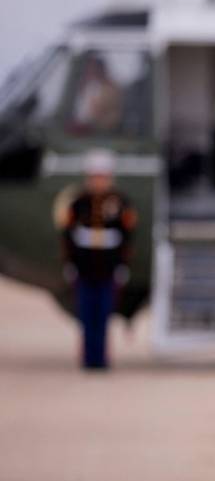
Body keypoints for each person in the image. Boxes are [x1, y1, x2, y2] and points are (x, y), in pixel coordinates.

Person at [62, 149, 136, 370]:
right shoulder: (78, 203)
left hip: (107, 268)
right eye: (95, 177)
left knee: (103, 315)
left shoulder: (121, 202)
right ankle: (88, 357)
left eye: (102, 177)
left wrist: (122, 265)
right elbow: (67, 235)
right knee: (86, 315)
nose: (98, 182)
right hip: (84, 268)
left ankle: (101, 358)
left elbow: (127, 236)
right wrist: (70, 263)